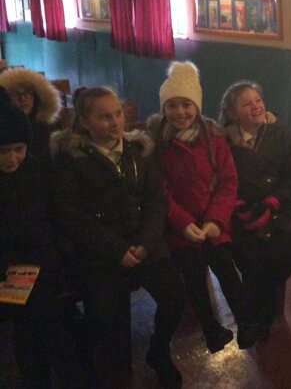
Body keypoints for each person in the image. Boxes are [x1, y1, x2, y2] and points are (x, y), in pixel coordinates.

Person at [51, 86, 185, 388]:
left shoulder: (140, 151)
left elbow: (156, 202)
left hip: (144, 244)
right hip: (102, 251)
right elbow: (71, 215)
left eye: (118, 114)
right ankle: (108, 366)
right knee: (103, 318)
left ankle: (158, 351)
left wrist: (146, 243)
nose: (115, 122)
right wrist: (117, 250)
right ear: (84, 121)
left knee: (174, 297)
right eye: (104, 117)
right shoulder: (72, 159)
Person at [148, 61, 257, 352]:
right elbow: (160, 192)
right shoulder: (157, 144)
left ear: (196, 106)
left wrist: (216, 220)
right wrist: (183, 223)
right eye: (172, 105)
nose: (180, 112)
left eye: (186, 105)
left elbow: (228, 182)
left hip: (212, 223)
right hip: (181, 229)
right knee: (194, 277)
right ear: (164, 108)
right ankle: (211, 330)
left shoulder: (213, 138)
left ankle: (245, 322)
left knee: (226, 269)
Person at [0, 87, 92, 388]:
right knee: (40, 314)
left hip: (43, 263)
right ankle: (69, 376)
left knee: (34, 315)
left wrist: (51, 256)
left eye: (18, 149)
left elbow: (57, 220)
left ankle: (39, 377)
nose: (11, 158)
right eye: (3, 151)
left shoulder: (38, 172)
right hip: (9, 268)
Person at [218, 80, 291, 344]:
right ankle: (256, 319)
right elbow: (220, 178)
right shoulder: (225, 140)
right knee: (249, 263)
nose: (256, 106)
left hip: (278, 213)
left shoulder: (281, 134)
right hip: (242, 214)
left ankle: (259, 314)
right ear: (233, 113)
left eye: (258, 100)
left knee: (288, 257)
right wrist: (235, 204)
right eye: (247, 103)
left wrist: (273, 202)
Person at [0, 67, 62, 164]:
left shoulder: (48, 127)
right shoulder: (3, 128)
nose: (22, 98)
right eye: (15, 93)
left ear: (36, 96)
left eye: (28, 92)